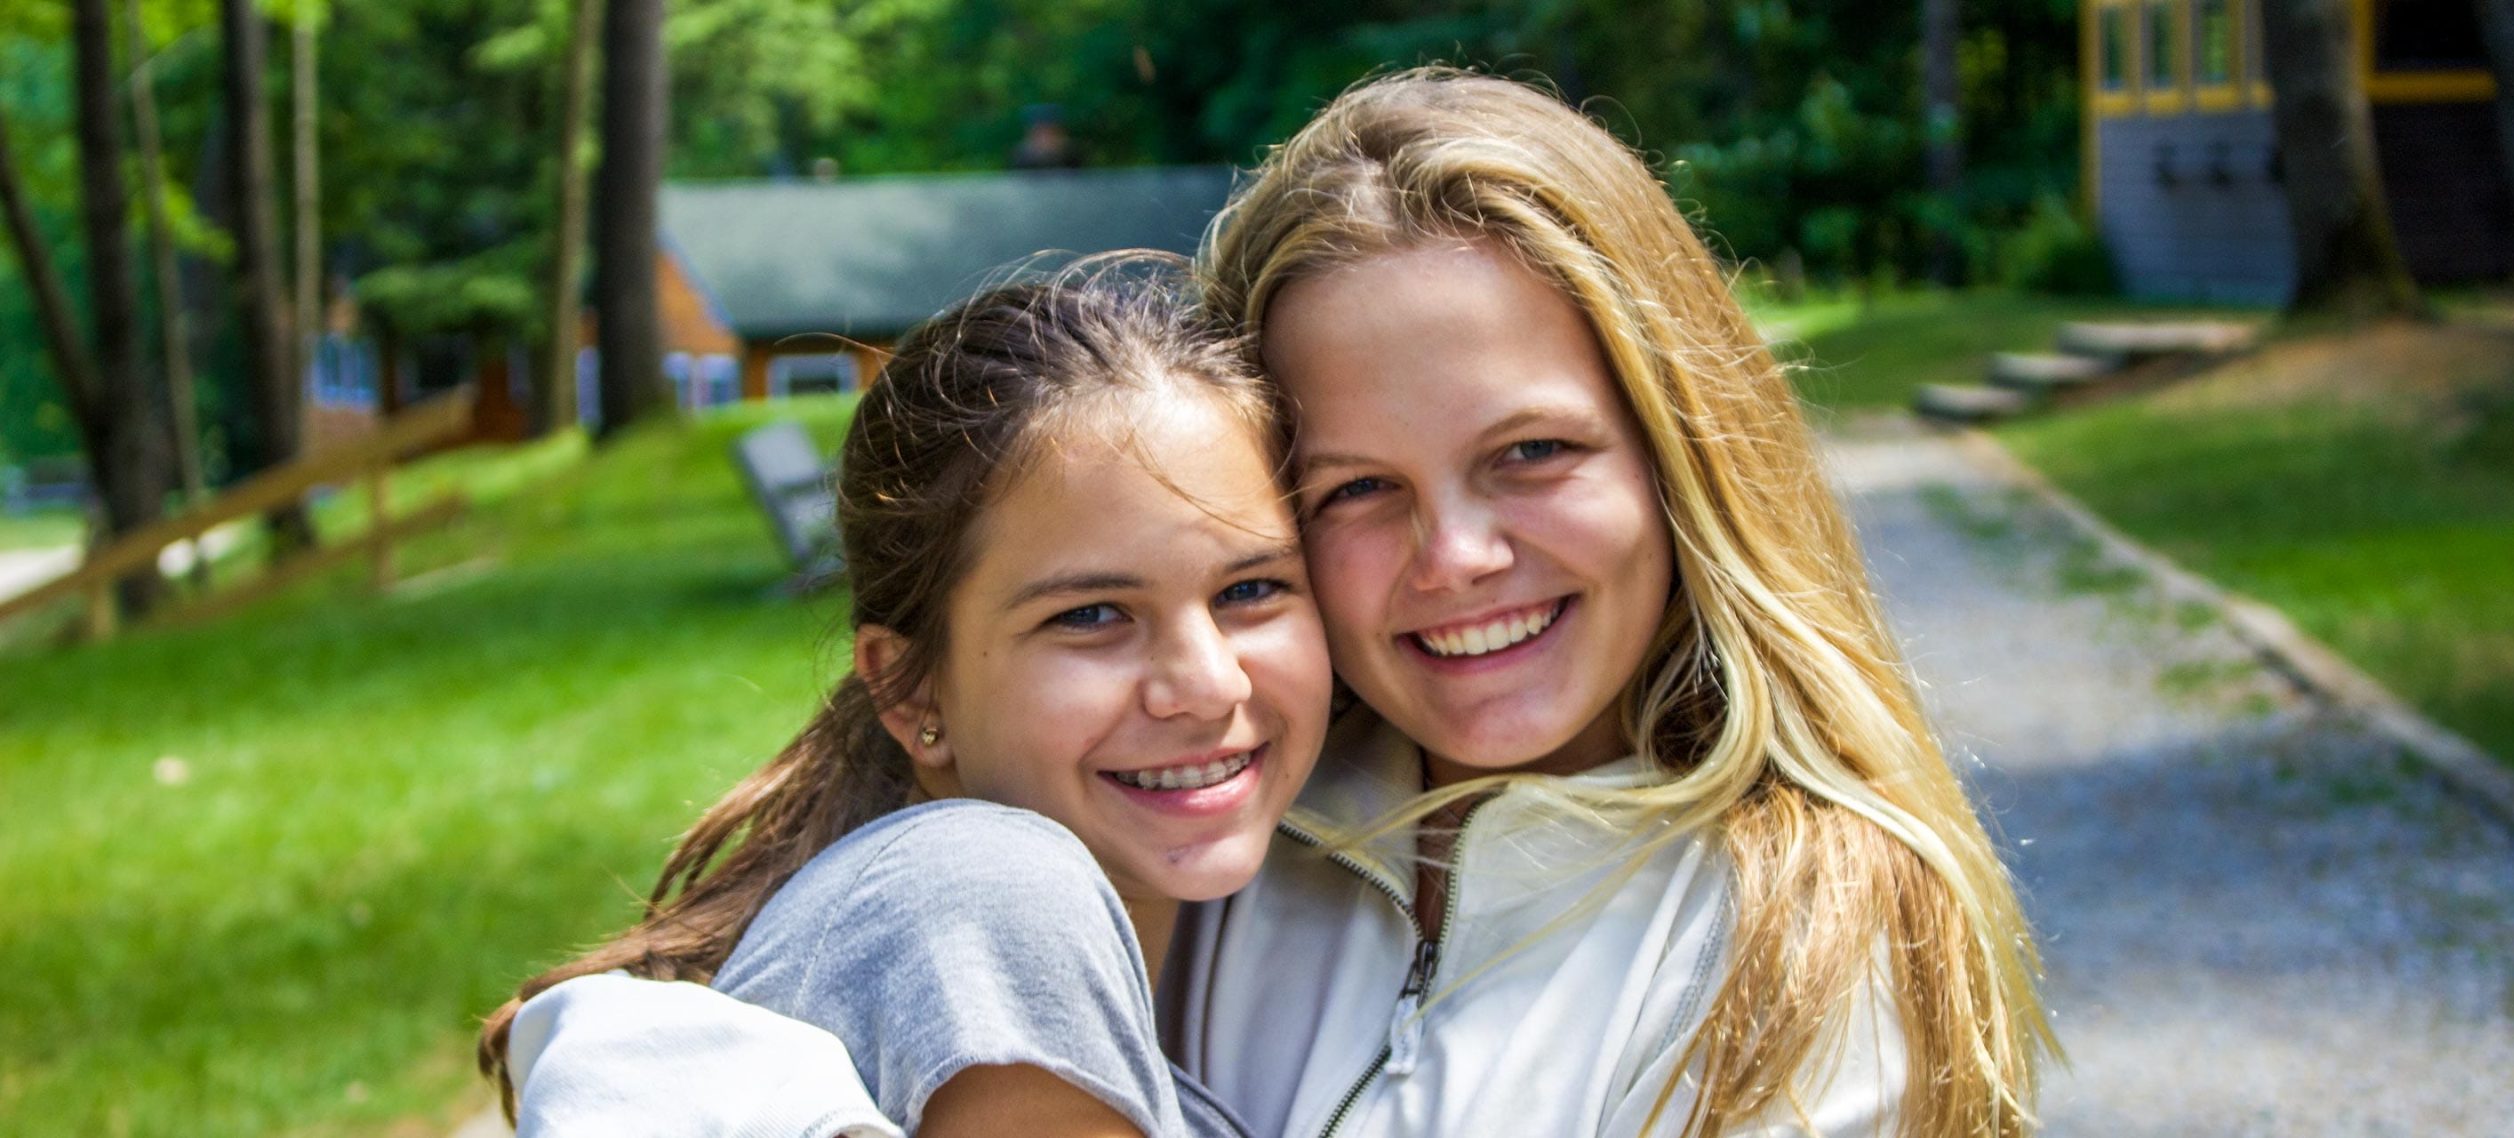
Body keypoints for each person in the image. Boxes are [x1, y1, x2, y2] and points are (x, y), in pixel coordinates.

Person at [509, 69, 2054, 1138]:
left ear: (1678, 456)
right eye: (1355, 492)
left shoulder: (1804, 926)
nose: (1455, 556)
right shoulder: (1206, 828)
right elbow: (673, 1026)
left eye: (1531, 454)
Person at [480, 260, 1331, 1138]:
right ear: (906, 682)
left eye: (1250, 590)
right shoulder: (994, 897)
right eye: (1091, 614)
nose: (1208, 684)